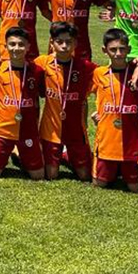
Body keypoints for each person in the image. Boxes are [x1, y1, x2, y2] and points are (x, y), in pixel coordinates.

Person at [35, 22, 96, 181]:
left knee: (85, 176)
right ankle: (23, 153)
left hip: (76, 129)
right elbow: (20, 67)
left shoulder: (85, 67)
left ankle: (67, 155)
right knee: (51, 175)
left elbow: (109, 75)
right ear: (51, 42)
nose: (64, 46)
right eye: (59, 42)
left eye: (69, 42)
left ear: (75, 43)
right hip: (51, 129)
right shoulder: (42, 62)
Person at [89, 28, 138, 192]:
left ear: (129, 50)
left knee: (134, 187)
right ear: (105, 51)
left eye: (122, 49)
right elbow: (83, 95)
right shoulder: (99, 73)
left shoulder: (137, 73)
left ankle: (122, 169)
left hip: (131, 143)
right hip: (107, 142)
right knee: (100, 184)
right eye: (113, 49)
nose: (118, 53)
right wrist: (94, 113)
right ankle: (67, 156)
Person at [0, 27, 43, 180]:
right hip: (3, 130)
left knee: (38, 175)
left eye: (21, 44)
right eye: (12, 44)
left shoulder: (37, 71)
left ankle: (22, 157)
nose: (16, 48)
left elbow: (43, 94)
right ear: (5, 46)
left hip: (28, 129)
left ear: (28, 47)